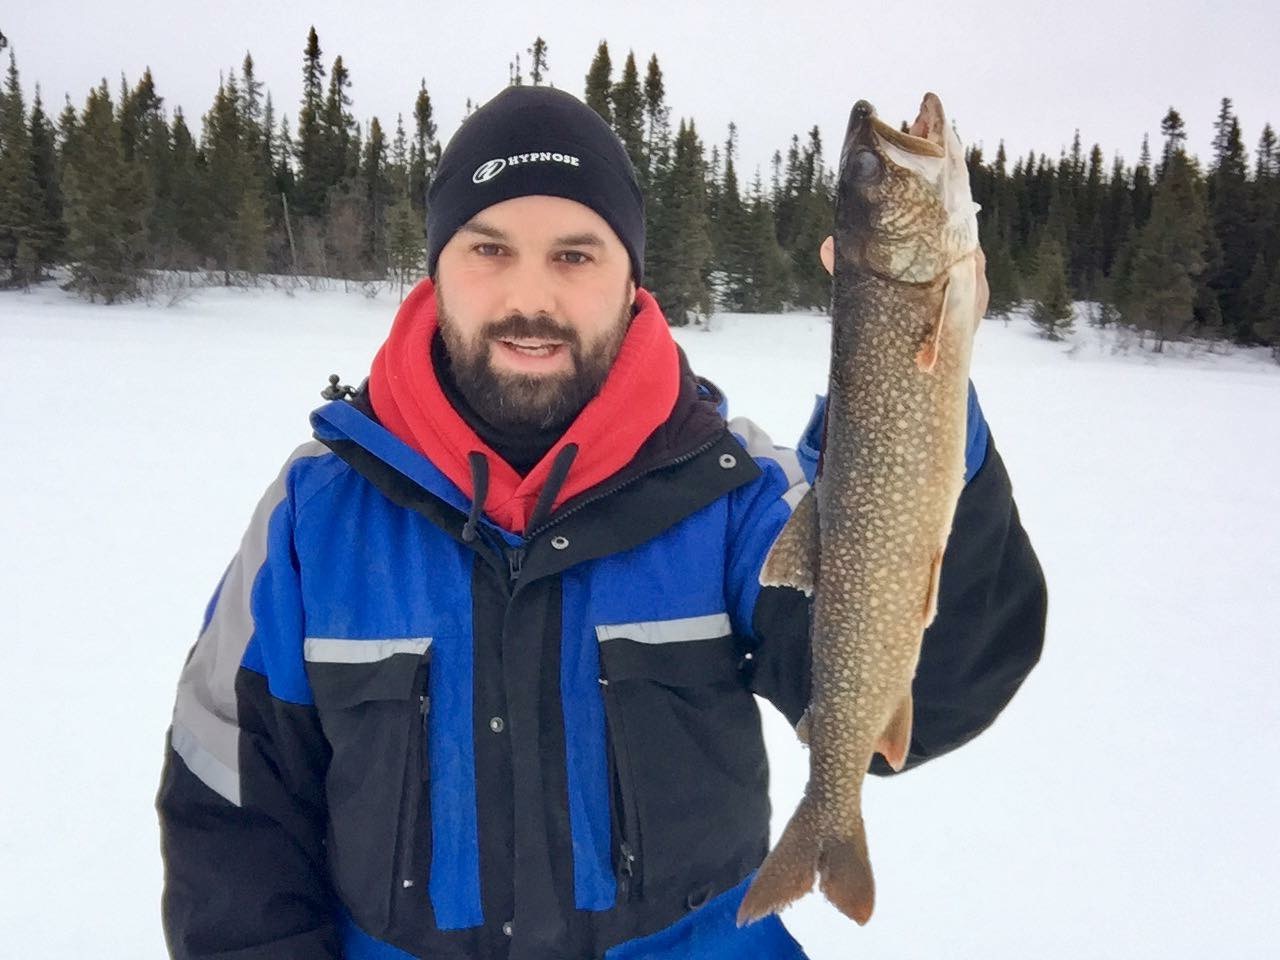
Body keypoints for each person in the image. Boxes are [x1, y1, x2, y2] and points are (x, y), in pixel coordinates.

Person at [156, 86, 1046, 960]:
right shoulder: (316, 517)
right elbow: (229, 803)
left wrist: (917, 411)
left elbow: (931, 693)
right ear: (435, 270)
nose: (530, 298)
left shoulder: (737, 496)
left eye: (576, 255)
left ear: (632, 284)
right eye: (489, 249)